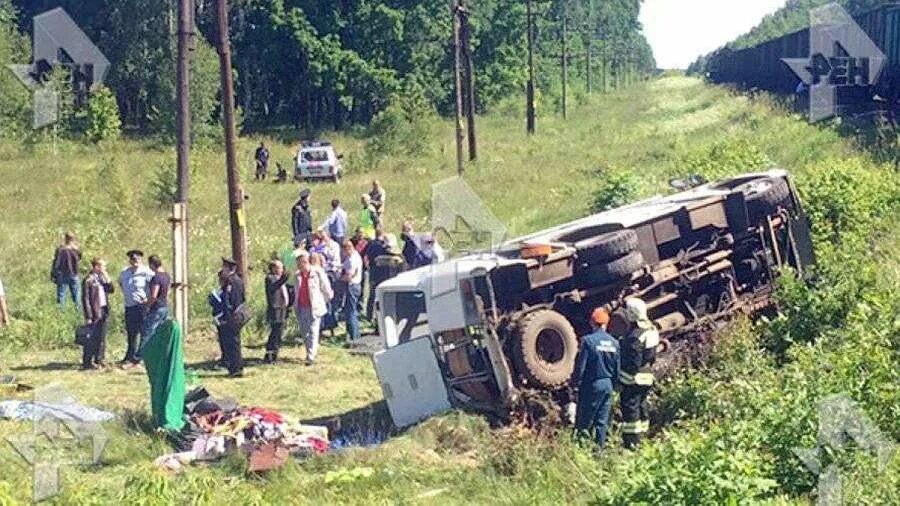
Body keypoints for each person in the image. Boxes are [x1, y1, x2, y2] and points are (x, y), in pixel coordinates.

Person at [572, 308, 619, 448]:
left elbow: (581, 367)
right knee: (601, 421)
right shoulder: (615, 343)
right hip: (608, 384)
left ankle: (581, 448)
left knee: (584, 419)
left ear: (592, 323)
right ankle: (599, 451)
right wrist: (614, 386)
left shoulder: (588, 341)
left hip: (592, 384)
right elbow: (617, 368)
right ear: (606, 324)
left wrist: (574, 384)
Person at [618, 297, 660, 449]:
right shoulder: (652, 329)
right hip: (647, 375)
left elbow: (632, 364)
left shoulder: (635, 336)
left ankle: (632, 443)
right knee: (642, 407)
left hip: (633, 379)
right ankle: (644, 438)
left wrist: (620, 379)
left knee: (631, 411)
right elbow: (652, 356)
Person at [294, 251, 333, 366]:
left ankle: (310, 356)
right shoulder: (297, 275)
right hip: (301, 306)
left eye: (301, 264)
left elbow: (326, 288)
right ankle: (310, 349)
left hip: (314, 306)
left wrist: (325, 300)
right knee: (304, 331)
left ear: (306, 262)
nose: (300, 266)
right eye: (298, 264)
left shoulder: (317, 272)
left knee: (313, 330)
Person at [119, 249, 154, 367]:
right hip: (130, 306)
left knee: (144, 332)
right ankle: (130, 355)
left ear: (141, 259)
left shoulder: (147, 272)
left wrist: (148, 300)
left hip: (142, 306)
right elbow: (121, 285)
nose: (135, 261)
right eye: (133, 259)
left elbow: (155, 286)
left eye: (137, 259)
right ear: (129, 260)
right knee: (131, 333)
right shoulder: (125, 273)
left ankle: (141, 357)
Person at [80, 258, 114, 370]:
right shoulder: (88, 280)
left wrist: (107, 277)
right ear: (96, 267)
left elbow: (111, 289)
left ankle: (99, 359)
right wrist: (88, 316)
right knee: (91, 337)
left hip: (104, 309)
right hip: (94, 311)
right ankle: (87, 361)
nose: (104, 269)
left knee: (102, 336)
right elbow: (85, 299)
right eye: (103, 266)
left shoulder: (102, 279)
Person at [218, 258, 247, 377]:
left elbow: (229, 301)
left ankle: (236, 368)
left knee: (232, 343)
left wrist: (226, 317)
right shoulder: (238, 280)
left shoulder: (231, 280)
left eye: (224, 267)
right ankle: (235, 367)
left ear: (229, 268)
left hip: (232, 316)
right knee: (234, 342)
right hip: (237, 314)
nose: (222, 269)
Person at [140, 255, 171, 353]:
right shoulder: (166, 275)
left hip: (156, 308)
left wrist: (147, 305)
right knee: (160, 333)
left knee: (147, 332)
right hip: (164, 307)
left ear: (152, 265)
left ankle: (139, 357)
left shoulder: (156, 277)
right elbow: (167, 292)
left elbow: (154, 295)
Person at [264, 259, 291, 364]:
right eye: (280, 268)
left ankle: (274, 353)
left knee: (279, 332)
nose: (282, 270)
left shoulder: (279, 279)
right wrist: (284, 278)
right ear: (273, 268)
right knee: (275, 332)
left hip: (283, 308)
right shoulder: (270, 278)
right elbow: (274, 287)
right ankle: (271, 354)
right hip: (275, 310)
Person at [51, 232, 82, 307]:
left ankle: (60, 314)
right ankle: (78, 313)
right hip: (74, 274)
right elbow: (80, 258)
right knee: (77, 297)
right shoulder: (76, 250)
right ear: (73, 239)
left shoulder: (60, 249)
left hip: (62, 275)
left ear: (65, 238)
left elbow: (55, 262)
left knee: (61, 296)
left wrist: (53, 274)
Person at [341, 240, 363, 341]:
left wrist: (339, 278)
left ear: (347, 249)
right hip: (356, 285)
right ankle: (354, 335)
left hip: (351, 286)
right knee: (352, 310)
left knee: (351, 312)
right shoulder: (356, 255)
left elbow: (349, 276)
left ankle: (354, 337)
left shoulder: (351, 260)